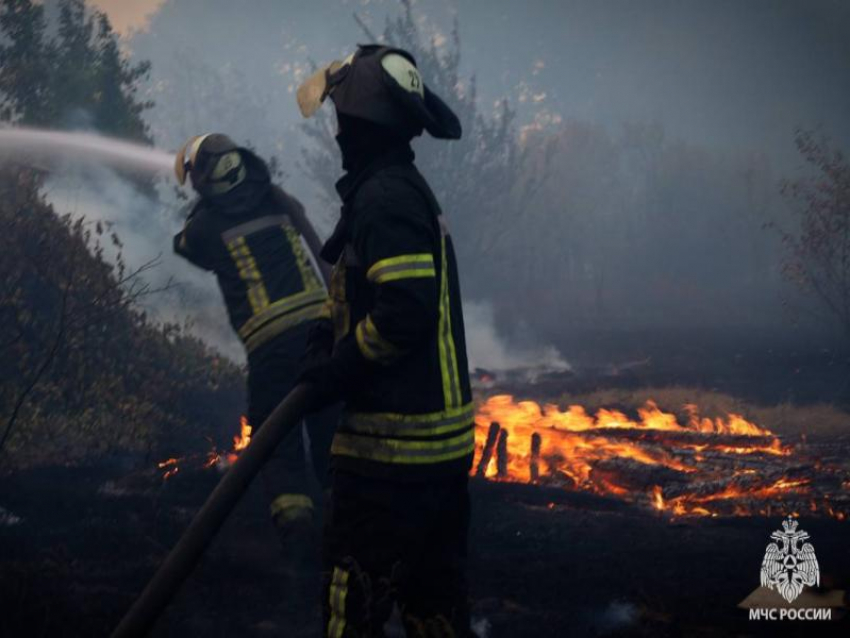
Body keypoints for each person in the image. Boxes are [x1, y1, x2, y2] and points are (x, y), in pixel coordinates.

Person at [296, 45, 474, 637]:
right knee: (434, 611)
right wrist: (326, 336)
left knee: (353, 606)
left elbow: (404, 312)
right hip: (432, 461)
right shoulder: (392, 190)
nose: (338, 133)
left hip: (390, 461)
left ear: (362, 125)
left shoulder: (386, 199)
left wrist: (339, 370)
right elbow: (366, 291)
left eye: (342, 121)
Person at [172, 133, 337, 561]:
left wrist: (199, 204)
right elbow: (309, 235)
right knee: (329, 429)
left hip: (272, 348)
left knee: (275, 439)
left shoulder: (206, 227)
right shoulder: (275, 201)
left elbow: (187, 247)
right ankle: (345, 518)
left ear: (206, 176)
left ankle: (297, 534)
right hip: (321, 332)